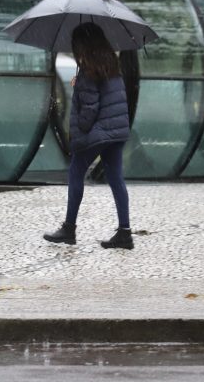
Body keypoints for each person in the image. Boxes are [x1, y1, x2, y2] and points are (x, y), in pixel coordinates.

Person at [43, 22, 133, 249]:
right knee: (115, 179)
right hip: (117, 131)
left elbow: (90, 108)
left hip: (98, 131)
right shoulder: (111, 64)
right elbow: (106, 95)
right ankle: (125, 233)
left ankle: (69, 229)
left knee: (75, 172)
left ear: (82, 45)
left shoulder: (88, 69)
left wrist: (80, 131)